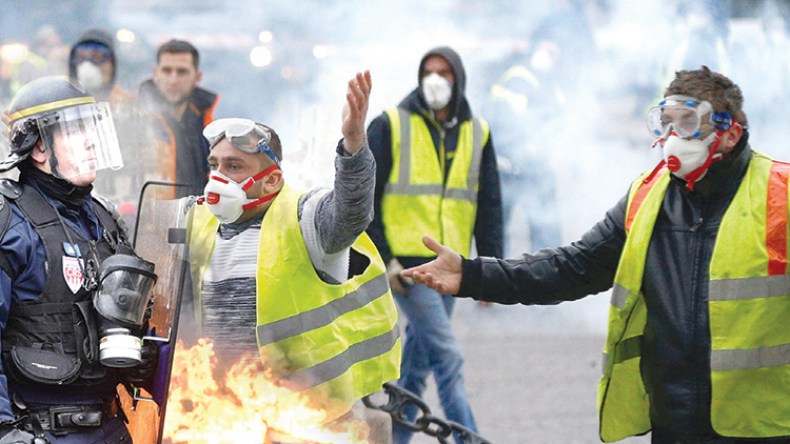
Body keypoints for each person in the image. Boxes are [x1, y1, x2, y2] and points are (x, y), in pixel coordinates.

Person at [402, 66, 790, 443]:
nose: (673, 135)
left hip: (763, 428)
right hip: (675, 424)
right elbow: (573, 267)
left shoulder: (779, 195)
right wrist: (473, 275)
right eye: (666, 122)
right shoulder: (647, 198)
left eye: (687, 122)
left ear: (730, 133)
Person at [185, 71, 401, 442]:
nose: (219, 177)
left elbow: (350, 213)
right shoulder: (199, 221)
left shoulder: (304, 217)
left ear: (271, 179)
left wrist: (353, 147)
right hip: (230, 413)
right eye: (214, 165)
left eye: (234, 167)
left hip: (308, 418)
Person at [0, 77, 158, 443]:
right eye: (74, 130)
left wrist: (143, 356)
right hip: (39, 431)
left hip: (112, 426)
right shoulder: (10, 224)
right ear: (39, 148)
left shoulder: (103, 219)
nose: (90, 140)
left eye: (91, 127)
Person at [366, 46, 503, 443]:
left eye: (444, 72)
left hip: (452, 264)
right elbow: (365, 198)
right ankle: (469, 438)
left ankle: (396, 438)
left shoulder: (479, 131)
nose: (436, 79)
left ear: (458, 79)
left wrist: (490, 271)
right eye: (429, 71)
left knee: (417, 365)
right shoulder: (391, 124)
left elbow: (489, 203)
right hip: (408, 267)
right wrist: (385, 257)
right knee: (447, 356)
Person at [68, 29, 176, 224]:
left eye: (98, 57)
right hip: (70, 218)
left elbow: (160, 174)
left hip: (124, 219)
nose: (88, 65)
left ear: (113, 64)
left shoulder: (135, 112)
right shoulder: (56, 111)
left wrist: (150, 220)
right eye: (81, 57)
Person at [138, 39, 218, 196]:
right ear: (156, 73)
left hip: (196, 216)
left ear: (197, 76)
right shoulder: (135, 119)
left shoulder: (207, 127)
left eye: (182, 72)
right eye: (167, 71)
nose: (173, 80)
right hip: (144, 217)